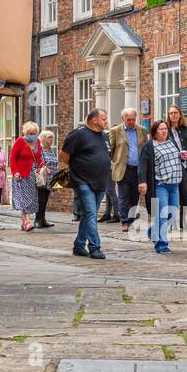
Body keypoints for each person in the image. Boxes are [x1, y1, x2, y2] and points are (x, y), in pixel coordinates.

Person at [61, 109, 111, 260]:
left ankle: (78, 245)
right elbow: (64, 156)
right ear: (94, 120)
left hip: (101, 182)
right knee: (90, 213)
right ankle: (95, 247)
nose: (106, 121)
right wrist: (78, 167)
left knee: (89, 214)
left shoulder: (104, 136)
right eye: (104, 118)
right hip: (83, 181)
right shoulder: (78, 134)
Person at [138, 119, 183, 255]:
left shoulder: (171, 142)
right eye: (161, 129)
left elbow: (175, 158)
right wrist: (142, 181)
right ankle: (161, 244)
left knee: (171, 213)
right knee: (162, 215)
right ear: (154, 132)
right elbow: (143, 165)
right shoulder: (149, 146)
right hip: (160, 185)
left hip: (174, 185)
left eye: (165, 129)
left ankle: (153, 232)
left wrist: (181, 157)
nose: (164, 131)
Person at [108, 109, 148, 232]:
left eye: (133, 119)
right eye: (128, 119)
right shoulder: (115, 131)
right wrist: (114, 163)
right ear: (123, 119)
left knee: (135, 196)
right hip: (123, 169)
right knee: (124, 196)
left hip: (138, 169)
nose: (131, 122)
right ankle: (124, 221)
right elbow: (110, 149)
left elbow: (145, 149)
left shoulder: (142, 130)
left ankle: (130, 219)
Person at [10, 121, 46, 232]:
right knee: (23, 199)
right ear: (26, 132)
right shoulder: (20, 141)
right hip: (21, 175)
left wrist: (44, 167)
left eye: (35, 133)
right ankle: (27, 221)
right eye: (30, 133)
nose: (33, 135)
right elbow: (12, 158)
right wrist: (15, 172)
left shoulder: (38, 142)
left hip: (33, 176)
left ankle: (23, 222)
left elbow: (39, 158)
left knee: (31, 199)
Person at [165, 105, 187, 230]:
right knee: (172, 194)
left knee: (184, 194)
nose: (173, 115)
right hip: (171, 167)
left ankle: (183, 222)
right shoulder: (165, 130)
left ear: (179, 114)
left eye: (175, 113)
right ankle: (171, 222)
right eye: (171, 113)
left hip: (183, 167)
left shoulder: (184, 129)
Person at [36, 129, 58, 229]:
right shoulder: (40, 150)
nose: (51, 140)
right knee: (41, 200)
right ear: (44, 139)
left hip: (51, 179)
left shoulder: (52, 150)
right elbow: (38, 163)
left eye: (52, 138)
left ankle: (43, 219)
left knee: (45, 200)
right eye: (49, 138)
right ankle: (38, 220)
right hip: (42, 179)